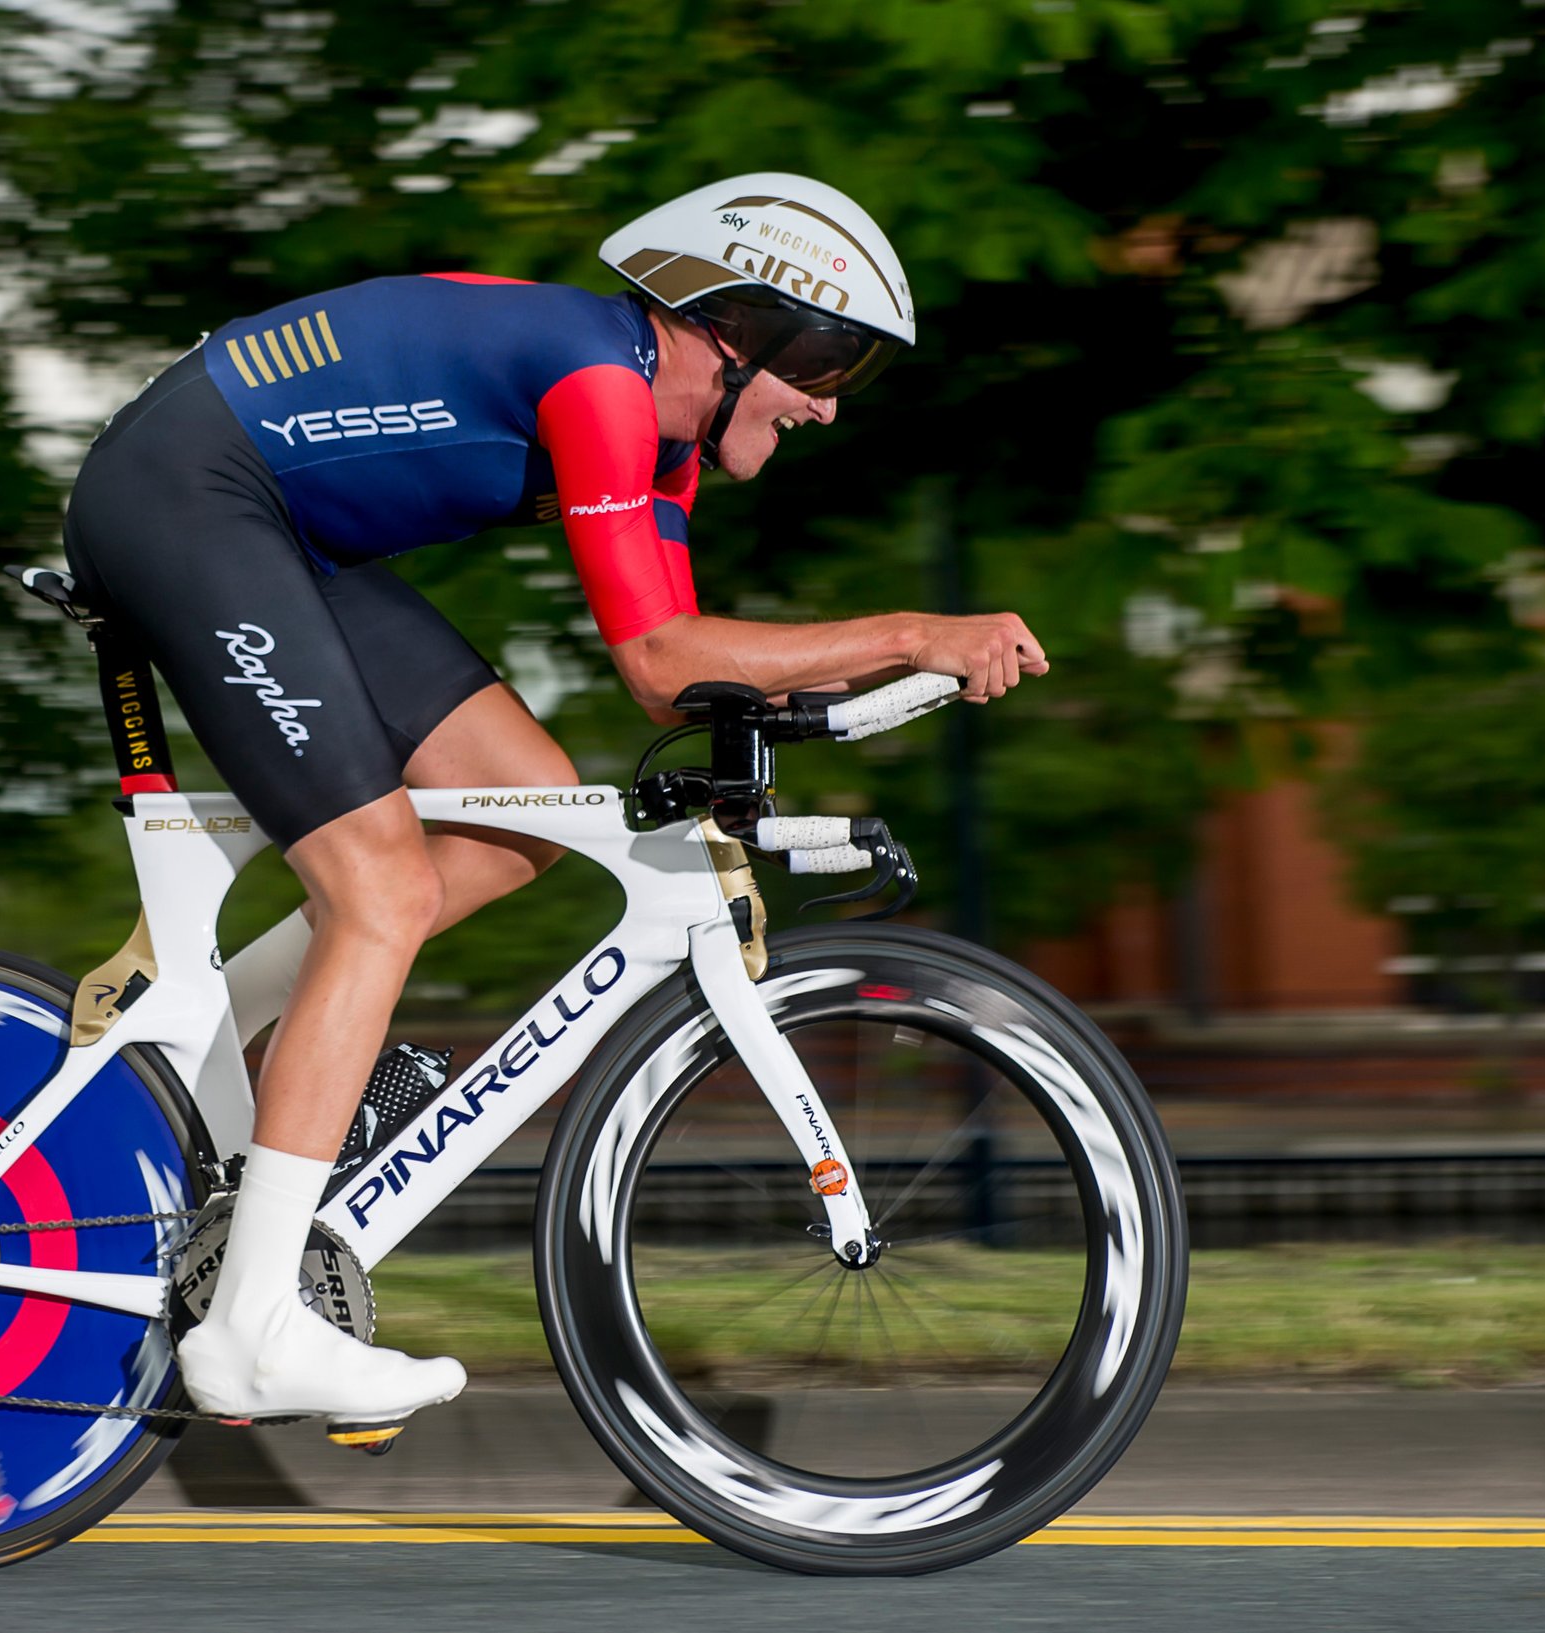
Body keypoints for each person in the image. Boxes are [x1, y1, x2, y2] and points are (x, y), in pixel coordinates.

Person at [60, 173, 1048, 1427]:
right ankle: (250, 1331)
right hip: (188, 496)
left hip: (285, 534)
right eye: (829, 361)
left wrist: (886, 675)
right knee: (381, 889)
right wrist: (914, 627)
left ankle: (218, 1057)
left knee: (524, 813)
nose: (828, 405)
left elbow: (685, 669)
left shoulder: (668, 449)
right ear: (738, 330)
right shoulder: (602, 380)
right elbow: (658, 660)